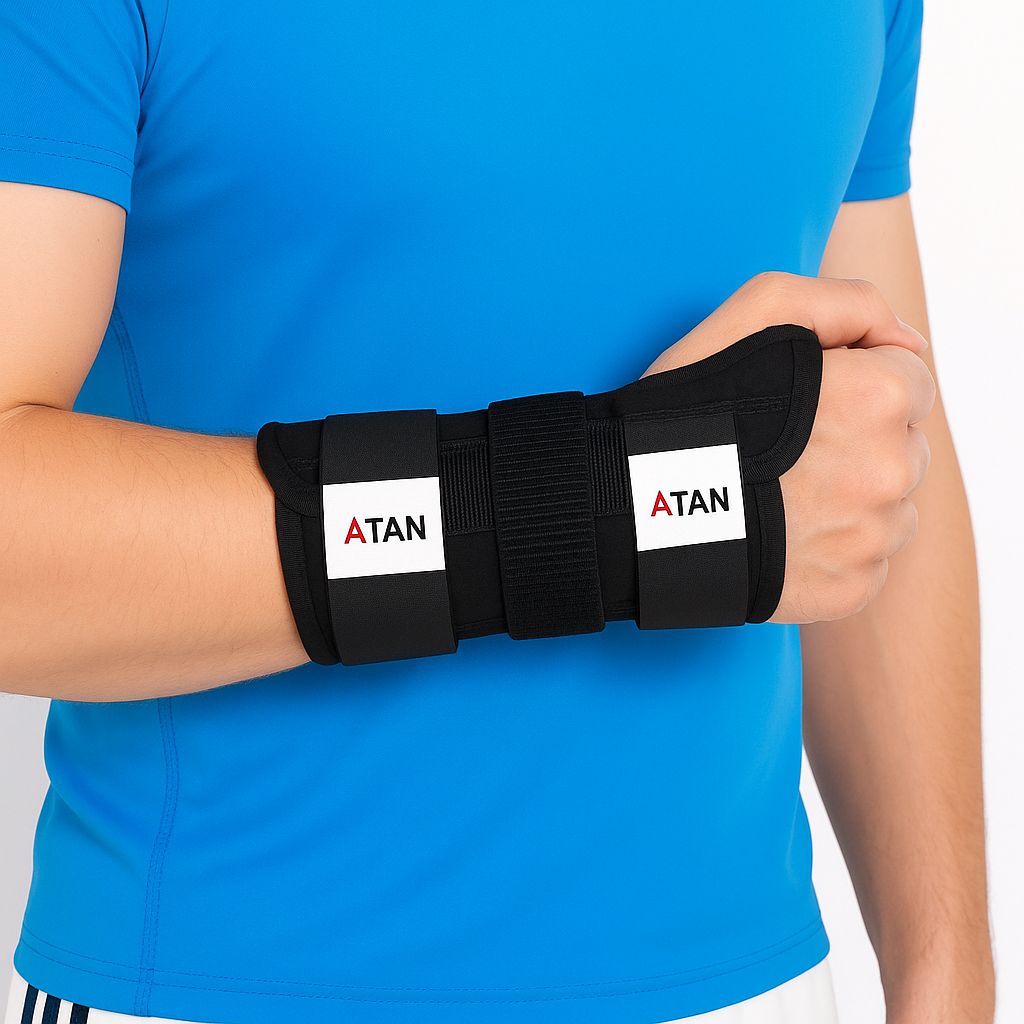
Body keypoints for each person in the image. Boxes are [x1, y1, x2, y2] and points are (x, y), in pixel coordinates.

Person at [0, 0, 992, 1022]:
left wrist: (947, 978)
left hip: (749, 983)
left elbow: (867, 449)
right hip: (229, 984)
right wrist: (608, 506)